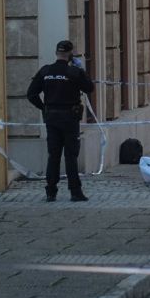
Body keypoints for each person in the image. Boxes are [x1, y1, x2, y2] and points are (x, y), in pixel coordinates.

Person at [27, 40, 95, 202]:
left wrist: (44, 107)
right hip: (70, 118)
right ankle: (75, 192)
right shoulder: (73, 72)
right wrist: (81, 70)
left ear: (56, 53)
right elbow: (89, 88)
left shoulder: (46, 71)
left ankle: (51, 192)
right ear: (71, 54)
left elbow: (31, 94)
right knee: (71, 155)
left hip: (51, 117)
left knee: (54, 155)